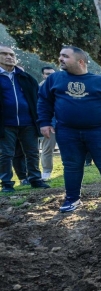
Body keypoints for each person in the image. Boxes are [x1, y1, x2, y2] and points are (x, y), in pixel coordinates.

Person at [38, 45, 101, 212]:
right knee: (71, 166)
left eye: (65, 56)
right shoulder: (54, 79)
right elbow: (44, 101)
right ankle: (72, 199)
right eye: (60, 55)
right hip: (67, 132)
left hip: (99, 132)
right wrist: (45, 122)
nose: (60, 59)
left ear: (80, 61)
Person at [0, 44, 50, 192]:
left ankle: (35, 179)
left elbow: (37, 100)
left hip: (28, 122)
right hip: (5, 124)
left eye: (12, 55)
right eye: (4, 54)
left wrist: (40, 119)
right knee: (6, 154)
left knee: (33, 152)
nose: (9, 57)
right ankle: (7, 183)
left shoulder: (25, 78)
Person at [39, 66, 57, 181]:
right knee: (47, 149)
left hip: (63, 123)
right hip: (49, 124)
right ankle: (46, 172)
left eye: (52, 74)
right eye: (47, 74)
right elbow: (40, 107)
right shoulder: (40, 88)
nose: (49, 76)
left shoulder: (60, 86)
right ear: (43, 75)